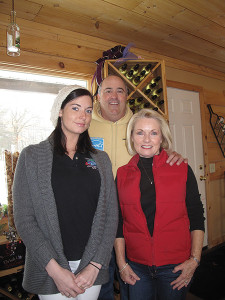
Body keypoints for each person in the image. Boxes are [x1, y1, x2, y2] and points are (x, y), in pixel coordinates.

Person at [13, 85, 118, 300]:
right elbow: (24, 219)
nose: (83, 116)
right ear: (60, 111)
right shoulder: (32, 156)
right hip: (50, 267)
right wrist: (55, 270)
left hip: (91, 267)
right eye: (75, 108)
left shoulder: (101, 159)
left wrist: (95, 265)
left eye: (88, 110)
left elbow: (110, 216)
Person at [89, 75, 187, 300]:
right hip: (97, 221)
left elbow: (156, 145)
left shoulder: (139, 123)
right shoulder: (85, 124)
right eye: (108, 90)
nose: (114, 96)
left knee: (129, 284)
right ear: (98, 95)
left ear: (127, 95)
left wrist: (170, 153)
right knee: (100, 285)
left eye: (120, 91)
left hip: (130, 223)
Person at [115, 108, 205, 300]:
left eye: (153, 133)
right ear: (132, 137)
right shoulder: (122, 174)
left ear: (162, 138)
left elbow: (197, 216)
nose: (146, 139)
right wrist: (122, 263)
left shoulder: (181, 169)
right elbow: (118, 222)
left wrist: (195, 260)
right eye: (140, 132)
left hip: (175, 267)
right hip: (136, 267)